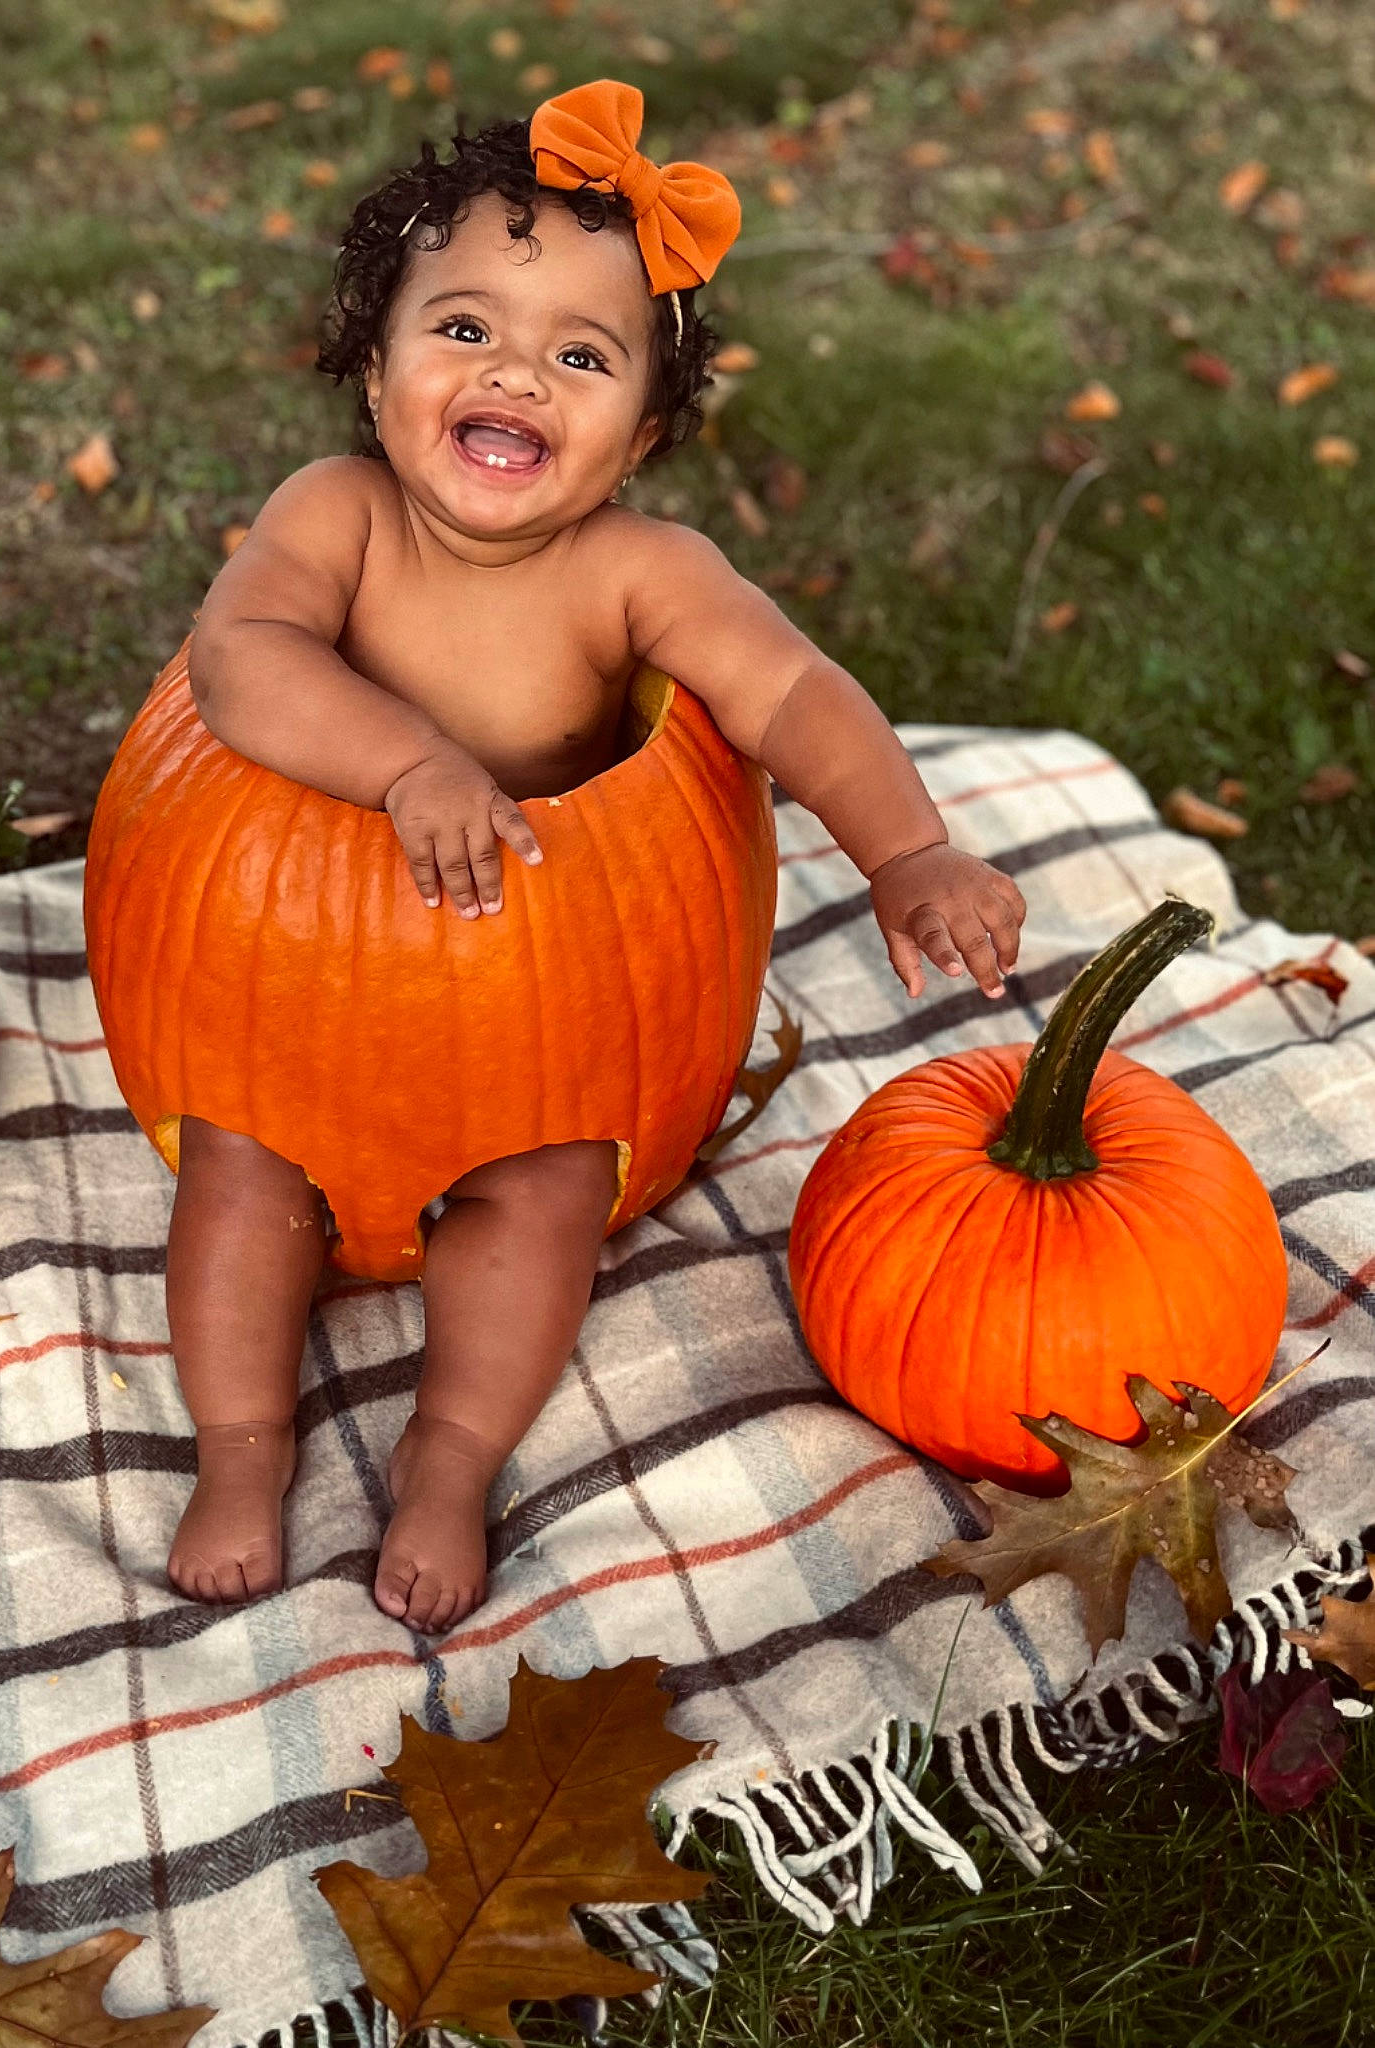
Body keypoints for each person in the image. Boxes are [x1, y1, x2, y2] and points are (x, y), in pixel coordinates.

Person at [168, 78, 1027, 1636]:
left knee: (549, 1194)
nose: (516, 373)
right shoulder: (334, 518)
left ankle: (449, 1456)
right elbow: (240, 663)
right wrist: (411, 763)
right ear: (374, 370)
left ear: (635, 435)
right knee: (236, 1174)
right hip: (286, 991)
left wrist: (907, 850)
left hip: (543, 1017)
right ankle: (241, 1449)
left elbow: (789, 694)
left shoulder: (638, 575)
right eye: (465, 329)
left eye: (580, 354)